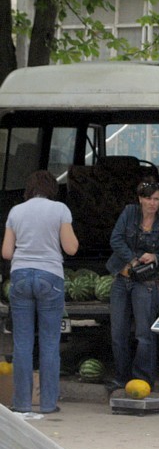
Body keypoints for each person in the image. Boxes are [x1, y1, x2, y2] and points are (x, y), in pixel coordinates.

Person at [1, 171, 79, 414]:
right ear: (52, 189)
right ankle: (47, 404)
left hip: (21, 276)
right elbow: (71, 247)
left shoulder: (16, 211)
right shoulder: (60, 210)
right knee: (49, 343)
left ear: (29, 189)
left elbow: (6, 252)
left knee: (22, 343)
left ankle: (22, 404)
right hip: (50, 276)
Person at [105, 179, 159, 392]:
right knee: (118, 333)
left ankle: (143, 380)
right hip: (122, 279)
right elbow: (115, 240)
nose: (152, 203)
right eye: (148, 198)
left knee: (144, 334)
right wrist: (135, 259)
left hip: (145, 284)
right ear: (140, 199)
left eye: (156, 199)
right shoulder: (129, 213)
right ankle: (121, 378)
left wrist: (155, 256)